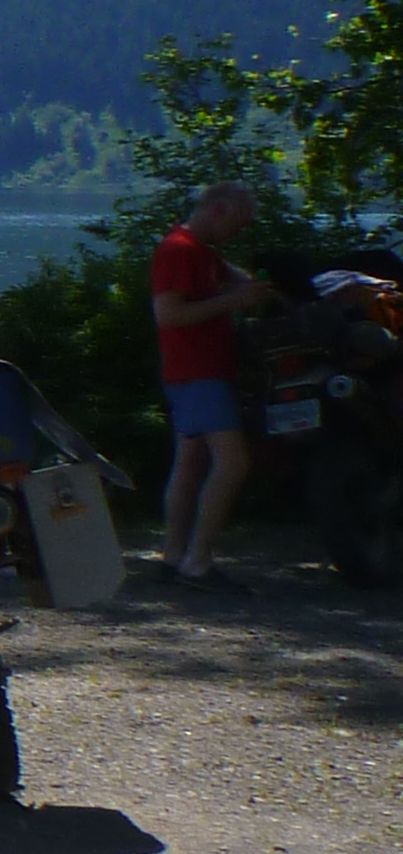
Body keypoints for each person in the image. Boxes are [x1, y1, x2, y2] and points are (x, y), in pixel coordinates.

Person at [152, 181, 277, 589]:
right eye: (238, 223)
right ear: (218, 210)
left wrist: (259, 286)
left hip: (199, 372)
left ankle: (173, 555)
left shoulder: (203, 253)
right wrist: (234, 302)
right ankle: (198, 561)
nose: (239, 232)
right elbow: (168, 315)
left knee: (190, 462)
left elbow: (236, 278)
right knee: (233, 462)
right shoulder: (178, 250)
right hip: (197, 372)